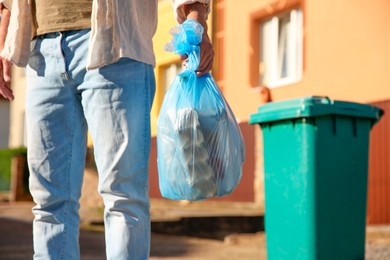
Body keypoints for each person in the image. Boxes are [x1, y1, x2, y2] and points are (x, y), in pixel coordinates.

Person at [0, 0, 214, 259]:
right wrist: (4, 38)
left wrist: (195, 15)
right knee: (48, 202)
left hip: (117, 42)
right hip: (40, 50)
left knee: (123, 196)